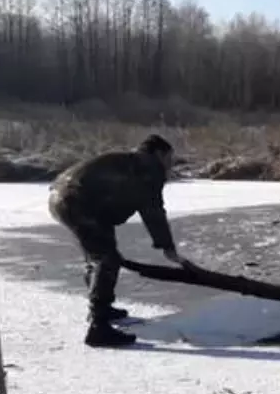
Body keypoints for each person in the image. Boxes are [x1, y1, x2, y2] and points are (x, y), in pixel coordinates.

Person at [48, 134, 186, 348]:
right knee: (106, 258)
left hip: (65, 198)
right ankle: (98, 327)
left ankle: (102, 309)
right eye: (169, 157)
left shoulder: (129, 161)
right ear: (159, 153)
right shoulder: (149, 168)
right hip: (77, 201)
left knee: (100, 254)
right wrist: (167, 246)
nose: (170, 164)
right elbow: (153, 210)